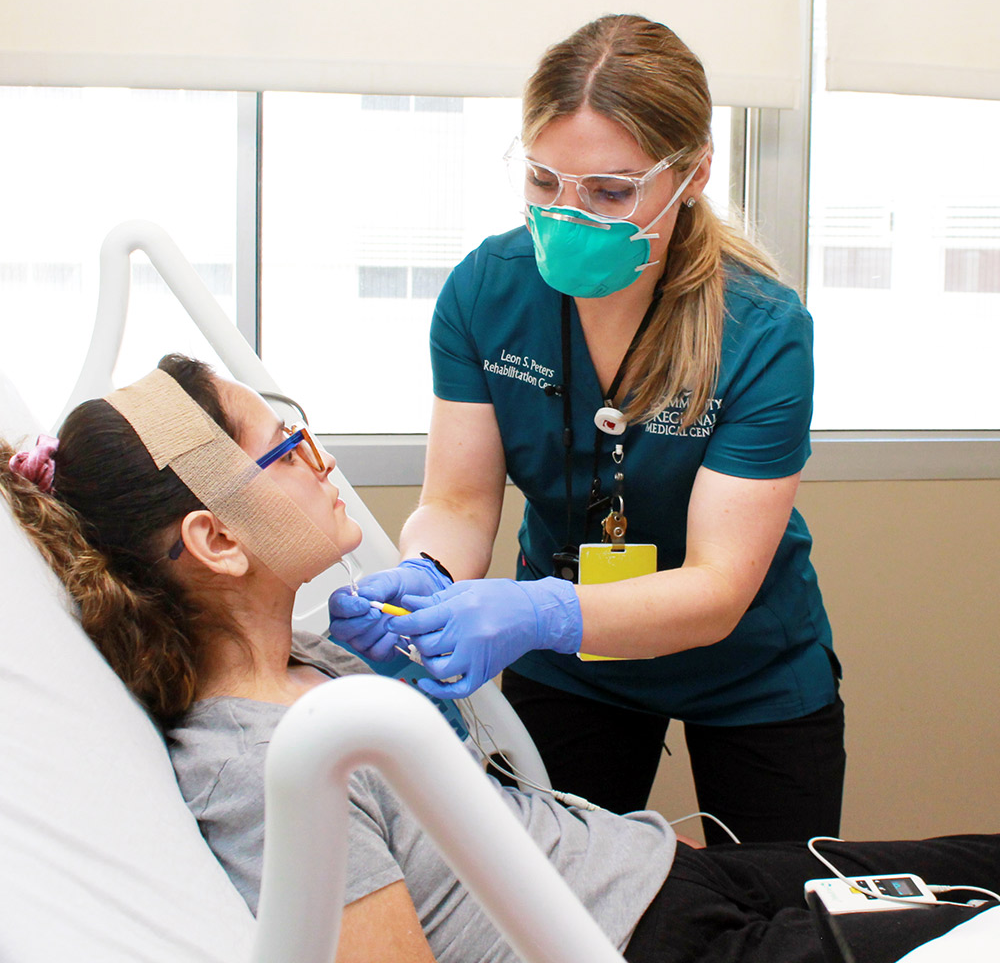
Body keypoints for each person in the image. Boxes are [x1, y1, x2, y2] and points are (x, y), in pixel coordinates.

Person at [3, 353, 998, 963]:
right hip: (646, 942)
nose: (325, 459)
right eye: (285, 448)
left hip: (663, 876)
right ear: (216, 541)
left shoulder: (312, 665)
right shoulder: (270, 770)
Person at [326, 12, 844, 841]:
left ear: (693, 174)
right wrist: (427, 577)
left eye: (610, 191)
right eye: (542, 181)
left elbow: (717, 587)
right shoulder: (485, 293)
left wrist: (539, 613)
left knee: (779, 912)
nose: (568, 215)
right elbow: (458, 503)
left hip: (748, 669)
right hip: (573, 674)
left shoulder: (762, 329)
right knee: (560, 909)